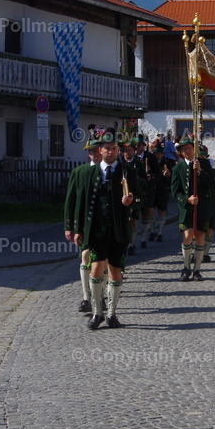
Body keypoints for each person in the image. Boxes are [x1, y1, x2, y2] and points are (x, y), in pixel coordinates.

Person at [63, 128, 141, 329]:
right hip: (96, 229)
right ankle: (97, 312)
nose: (110, 151)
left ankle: (112, 314)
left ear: (118, 150)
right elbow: (81, 203)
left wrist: (131, 201)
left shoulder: (128, 172)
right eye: (107, 148)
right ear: (101, 150)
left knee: (115, 272)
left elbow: (141, 198)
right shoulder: (90, 173)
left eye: (114, 148)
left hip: (118, 230)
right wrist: (76, 228)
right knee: (96, 268)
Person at [170, 135, 215, 281]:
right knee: (187, 236)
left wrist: (200, 171)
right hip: (186, 208)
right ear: (180, 152)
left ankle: (197, 269)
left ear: (194, 149)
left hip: (202, 207)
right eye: (184, 149)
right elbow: (175, 190)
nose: (187, 151)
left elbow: (212, 183)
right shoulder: (178, 168)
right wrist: (187, 199)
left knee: (200, 237)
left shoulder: (203, 163)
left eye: (189, 148)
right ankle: (186, 267)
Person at [65, 133, 103, 314]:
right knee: (85, 258)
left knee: (102, 262)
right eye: (91, 151)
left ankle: (101, 294)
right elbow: (70, 200)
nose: (95, 154)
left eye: (97, 150)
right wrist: (69, 227)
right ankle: (86, 297)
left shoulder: (109, 172)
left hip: (104, 225)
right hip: (84, 225)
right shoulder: (79, 173)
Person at [198, 144, 215, 262]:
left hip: (212, 201)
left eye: (204, 157)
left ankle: (205, 252)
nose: (202, 158)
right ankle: (197, 251)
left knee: (211, 227)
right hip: (200, 202)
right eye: (200, 156)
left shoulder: (213, 171)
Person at [148, 137, 173, 243]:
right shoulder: (149, 161)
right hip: (152, 189)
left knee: (161, 211)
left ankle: (160, 232)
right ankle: (153, 230)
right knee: (151, 211)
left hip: (162, 189)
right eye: (156, 154)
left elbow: (172, 176)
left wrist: (168, 175)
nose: (158, 155)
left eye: (160, 153)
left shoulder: (167, 162)